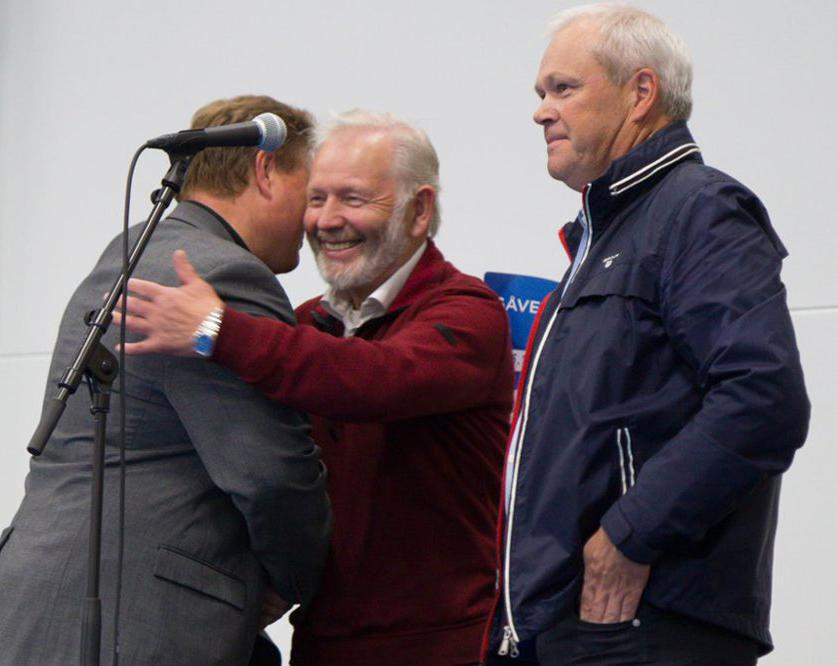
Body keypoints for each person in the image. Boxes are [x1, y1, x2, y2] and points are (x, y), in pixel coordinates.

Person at [113, 110, 514, 665]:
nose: (326, 220)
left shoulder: (470, 314)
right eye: (316, 198)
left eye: (352, 199)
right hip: (321, 645)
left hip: (443, 646)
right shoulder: (301, 326)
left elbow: (374, 380)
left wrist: (217, 330)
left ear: (419, 210)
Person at [482, 4, 810, 665]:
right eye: (541, 93)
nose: (541, 111)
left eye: (563, 88)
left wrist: (627, 537)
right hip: (575, 625)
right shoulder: (605, 237)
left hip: (642, 623)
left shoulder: (698, 210)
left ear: (640, 93)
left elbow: (763, 397)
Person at [0, 95, 332, 665]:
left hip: (33, 597)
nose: (315, 216)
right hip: (142, 621)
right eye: (313, 187)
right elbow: (272, 476)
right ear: (266, 170)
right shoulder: (226, 275)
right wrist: (299, 579)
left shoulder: (128, 253)